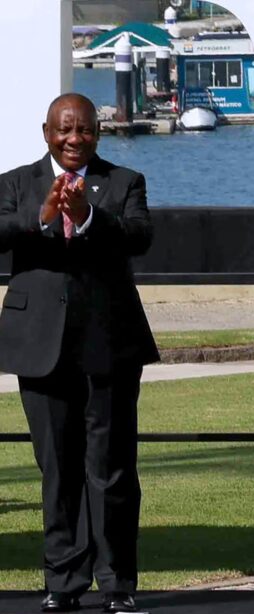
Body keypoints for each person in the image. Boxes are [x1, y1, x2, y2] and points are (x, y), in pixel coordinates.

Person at [0, 93, 158, 613]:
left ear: (98, 133)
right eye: (64, 130)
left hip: (107, 344)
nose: (74, 139)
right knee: (58, 469)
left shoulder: (123, 182)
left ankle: (116, 583)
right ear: (46, 131)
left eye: (84, 130)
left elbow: (139, 237)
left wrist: (89, 217)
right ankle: (63, 582)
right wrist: (40, 218)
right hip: (39, 346)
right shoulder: (16, 183)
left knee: (110, 467)